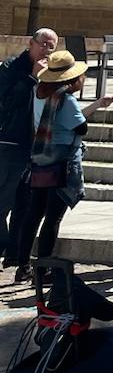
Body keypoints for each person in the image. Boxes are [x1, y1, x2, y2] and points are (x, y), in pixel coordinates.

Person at [7, 50, 113, 283]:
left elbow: (69, 120)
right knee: (53, 217)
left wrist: (96, 104)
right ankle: (43, 268)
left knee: (33, 214)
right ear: (71, 80)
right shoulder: (66, 99)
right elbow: (80, 128)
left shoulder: (40, 92)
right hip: (62, 164)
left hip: (40, 160)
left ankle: (23, 265)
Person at [1, 30, 53, 250]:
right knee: (3, 202)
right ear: (31, 44)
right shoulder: (10, 68)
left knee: (25, 205)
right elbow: (6, 103)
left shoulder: (50, 73)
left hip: (35, 148)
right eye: (43, 45)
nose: (47, 50)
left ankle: (14, 254)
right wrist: (32, 77)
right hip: (10, 144)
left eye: (52, 47)